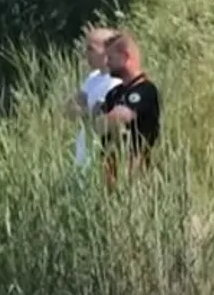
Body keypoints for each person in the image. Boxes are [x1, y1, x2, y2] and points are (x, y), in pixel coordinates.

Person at [95, 32, 161, 183]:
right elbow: (98, 125)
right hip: (110, 176)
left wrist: (104, 119)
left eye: (110, 58)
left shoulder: (145, 90)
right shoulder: (114, 93)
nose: (106, 63)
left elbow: (119, 117)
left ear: (125, 56)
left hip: (135, 177)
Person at [67, 26, 122, 168]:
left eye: (91, 49)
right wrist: (87, 111)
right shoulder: (93, 78)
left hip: (101, 160)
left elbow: (99, 118)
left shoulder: (118, 82)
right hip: (83, 157)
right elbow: (69, 109)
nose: (86, 54)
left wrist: (85, 110)